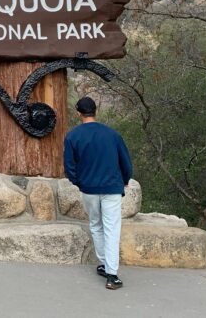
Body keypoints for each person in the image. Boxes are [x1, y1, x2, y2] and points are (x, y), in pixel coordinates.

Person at [64, 96, 133, 290]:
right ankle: (112, 274)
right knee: (112, 228)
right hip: (111, 187)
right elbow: (125, 162)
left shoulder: (73, 136)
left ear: (79, 113)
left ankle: (104, 263)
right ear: (96, 111)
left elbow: (70, 166)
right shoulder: (112, 135)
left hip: (89, 189)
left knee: (96, 225)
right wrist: (125, 179)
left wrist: (79, 182)